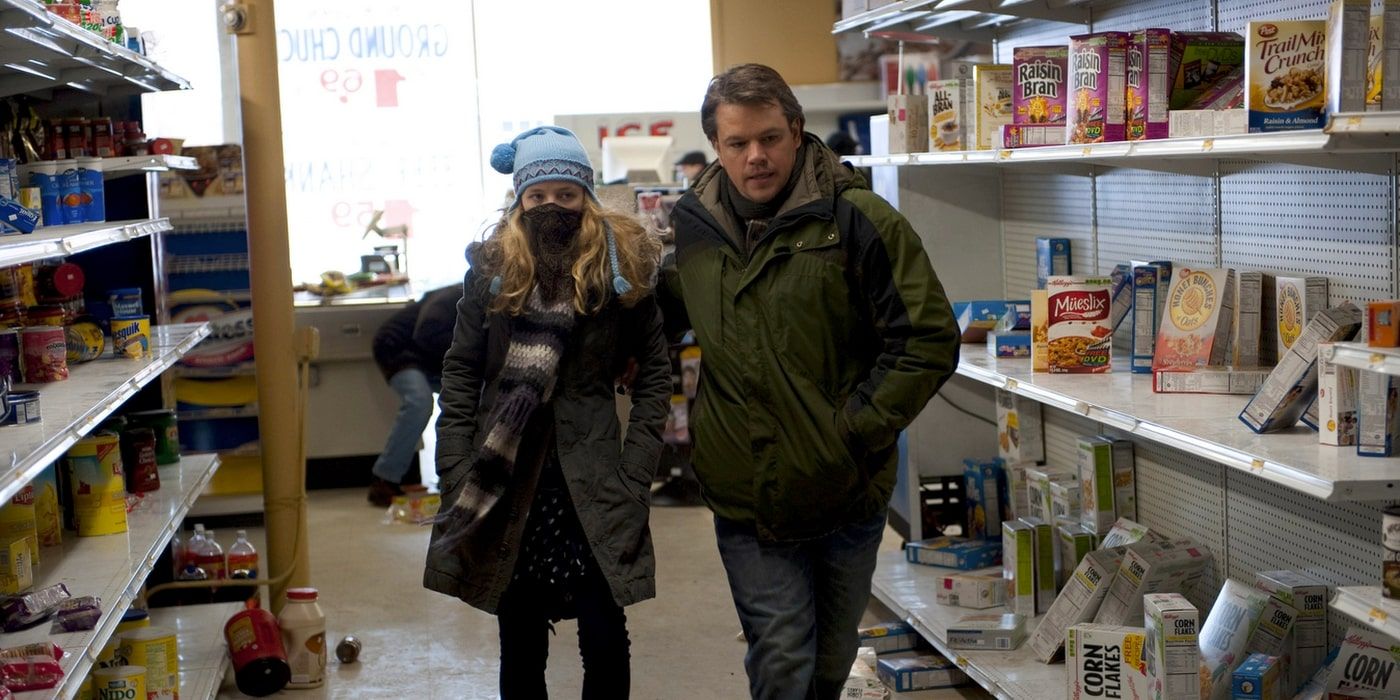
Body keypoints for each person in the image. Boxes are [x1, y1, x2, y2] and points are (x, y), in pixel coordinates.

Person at [661, 64, 960, 699]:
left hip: (844, 485)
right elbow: (658, 321)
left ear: (796, 131)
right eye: (737, 144)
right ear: (717, 146)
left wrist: (854, 429)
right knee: (782, 657)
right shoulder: (692, 230)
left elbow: (928, 339)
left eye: (769, 137)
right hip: (746, 491)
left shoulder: (858, 221)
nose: (756, 157)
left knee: (829, 661)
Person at [423, 125, 669, 699]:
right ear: (519, 201)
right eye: (537, 196)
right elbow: (460, 370)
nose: (551, 206)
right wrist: (455, 465)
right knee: (521, 638)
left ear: (586, 197)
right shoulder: (491, 273)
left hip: (596, 480)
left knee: (606, 634)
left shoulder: (621, 271)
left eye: (566, 194)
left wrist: (637, 469)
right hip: (507, 478)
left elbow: (656, 373)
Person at [367, 284, 462, 507]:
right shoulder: (460, 294)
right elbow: (427, 331)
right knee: (419, 403)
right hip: (397, 346)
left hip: (424, 354)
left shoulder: (472, 293)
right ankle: (384, 480)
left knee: (463, 401)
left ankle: (451, 476)